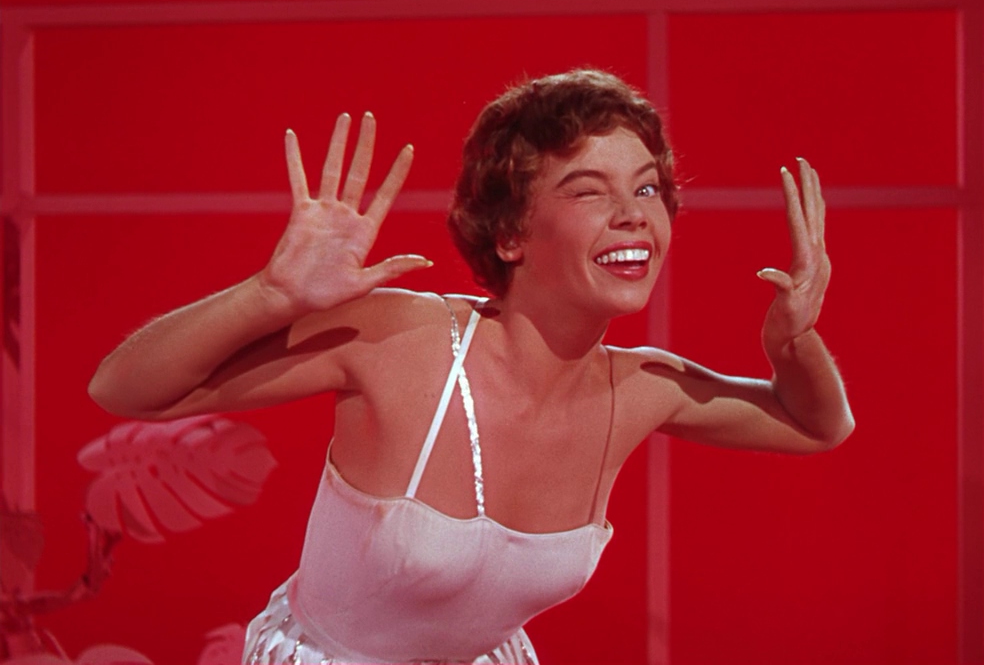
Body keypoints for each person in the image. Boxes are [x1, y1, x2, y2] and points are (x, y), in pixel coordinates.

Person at [88, 69, 854, 664]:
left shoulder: (643, 388)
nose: (634, 215)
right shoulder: (405, 339)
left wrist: (794, 343)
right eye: (590, 191)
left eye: (648, 188)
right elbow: (125, 389)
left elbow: (817, 426)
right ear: (510, 234)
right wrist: (269, 294)